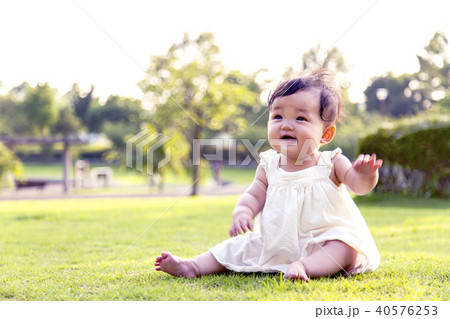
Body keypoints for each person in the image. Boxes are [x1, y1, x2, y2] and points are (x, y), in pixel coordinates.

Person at [154, 70, 382, 281]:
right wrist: (243, 212)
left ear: (326, 134)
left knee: (345, 247)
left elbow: (359, 186)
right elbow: (253, 195)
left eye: (300, 119)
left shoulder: (331, 162)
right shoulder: (269, 165)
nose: (287, 125)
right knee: (239, 246)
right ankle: (193, 266)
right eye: (278, 116)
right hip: (275, 243)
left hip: (321, 242)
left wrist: (365, 175)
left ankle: (304, 267)